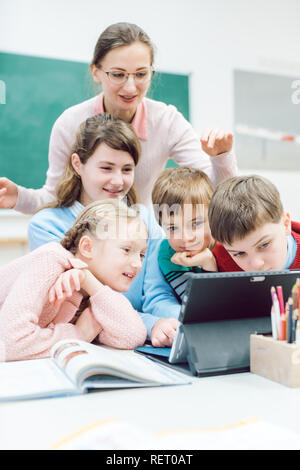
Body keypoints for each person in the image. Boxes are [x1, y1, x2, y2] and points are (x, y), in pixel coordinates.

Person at [0, 22, 237, 214]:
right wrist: (18, 197)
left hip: (134, 242)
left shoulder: (167, 121)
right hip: (82, 241)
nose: (131, 87)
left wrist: (221, 157)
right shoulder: (70, 123)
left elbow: (218, 190)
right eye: (118, 75)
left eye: (141, 74)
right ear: (96, 72)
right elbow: (55, 196)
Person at [28, 113, 180, 347]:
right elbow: (80, 309)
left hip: (138, 345)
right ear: (78, 164)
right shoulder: (46, 226)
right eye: (107, 168)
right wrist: (152, 325)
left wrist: (183, 318)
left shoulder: (146, 221)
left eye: (127, 169)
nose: (118, 181)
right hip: (86, 346)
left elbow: (156, 295)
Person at [0, 199, 148, 362]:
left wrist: (88, 281)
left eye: (142, 254)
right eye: (126, 250)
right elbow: (11, 343)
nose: (137, 264)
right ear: (87, 247)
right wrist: (79, 335)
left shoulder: (97, 292)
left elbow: (133, 336)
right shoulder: (50, 260)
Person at [208, 175, 300, 272]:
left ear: (285, 224)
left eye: (264, 245)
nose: (256, 264)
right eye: (239, 253)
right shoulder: (216, 257)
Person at [152, 167, 217, 302]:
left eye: (195, 224)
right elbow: (203, 303)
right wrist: (208, 263)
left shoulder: (227, 242)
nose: (186, 238)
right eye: (173, 228)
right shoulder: (168, 254)